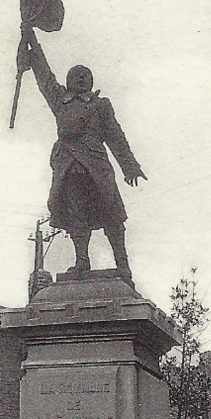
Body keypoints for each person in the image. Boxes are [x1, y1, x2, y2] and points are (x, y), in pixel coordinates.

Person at [19, 26, 146, 281]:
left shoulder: (101, 105)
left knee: (112, 214)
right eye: (75, 75)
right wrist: (32, 42)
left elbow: (116, 137)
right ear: (68, 81)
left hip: (97, 167)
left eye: (85, 75)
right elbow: (44, 76)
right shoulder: (59, 101)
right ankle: (81, 261)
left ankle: (122, 263)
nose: (80, 78)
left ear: (91, 81)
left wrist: (129, 166)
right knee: (77, 215)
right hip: (69, 167)